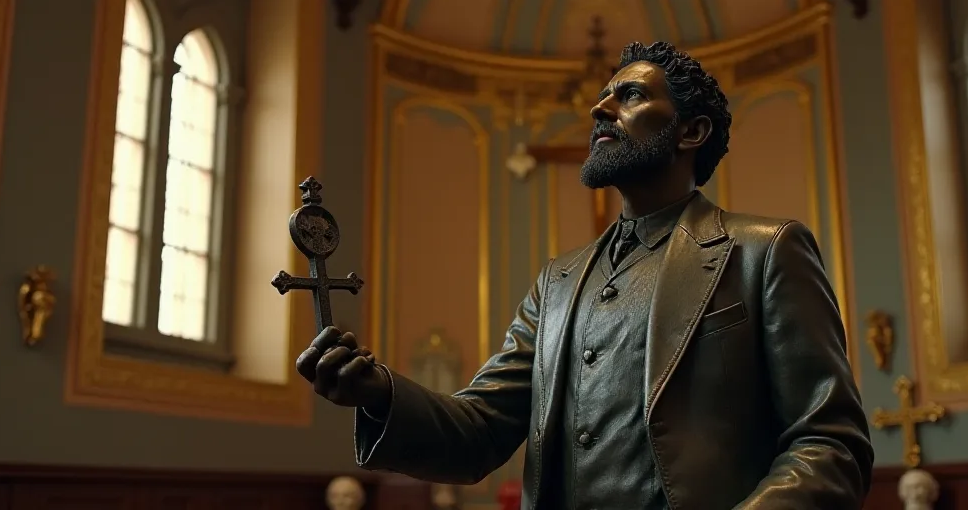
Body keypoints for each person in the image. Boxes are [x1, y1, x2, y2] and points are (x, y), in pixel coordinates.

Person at [297, 41, 874, 509]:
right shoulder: (557, 283)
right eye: (602, 97)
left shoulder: (764, 251)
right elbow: (480, 430)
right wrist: (379, 396)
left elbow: (829, 443)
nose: (599, 109)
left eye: (628, 95)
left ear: (691, 132)